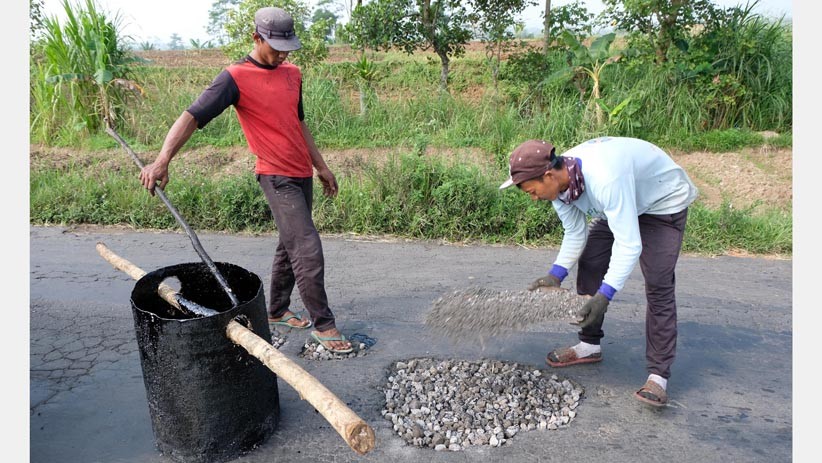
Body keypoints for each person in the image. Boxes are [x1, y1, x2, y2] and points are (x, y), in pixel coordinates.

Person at [139, 6, 352, 353]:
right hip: (274, 174)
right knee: (307, 247)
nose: (282, 53)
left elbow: (299, 124)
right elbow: (191, 116)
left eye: (287, 46)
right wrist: (163, 160)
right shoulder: (234, 77)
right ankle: (325, 326)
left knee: (290, 244)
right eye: (275, 45)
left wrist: (321, 166)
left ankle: (278, 309)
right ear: (255, 37)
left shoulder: (293, 73)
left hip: (301, 173)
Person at [499, 136, 698, 407]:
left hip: (662, 203)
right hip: (620, 203)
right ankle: (589, 345)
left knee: (658, 282)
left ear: (547, 175)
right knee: (592, 261)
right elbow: (574, 232)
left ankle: (658, 375)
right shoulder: (559, 186)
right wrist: (555, 275)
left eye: (531, 191)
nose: (533, 198)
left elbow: (629, 245)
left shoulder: (605, 178)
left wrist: (605, 295)